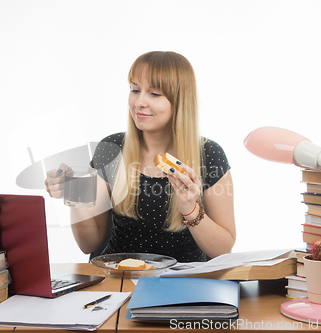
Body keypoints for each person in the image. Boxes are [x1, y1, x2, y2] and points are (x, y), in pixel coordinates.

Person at [45, 51, 235, 262]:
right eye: (135, 90)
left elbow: (223, 250)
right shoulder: (111, 149)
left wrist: (190, 209)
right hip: (119, 280)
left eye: (154, 94)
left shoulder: (209, 154)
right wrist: (75, 195)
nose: (139, 102)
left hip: (184, 282)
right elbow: (88, 243)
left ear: (179, 101)